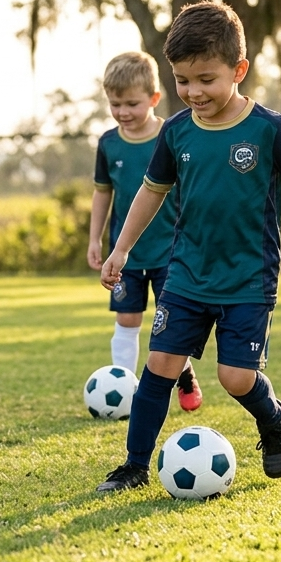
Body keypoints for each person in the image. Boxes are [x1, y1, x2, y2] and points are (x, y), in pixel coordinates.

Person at [94, 0, 281, 492]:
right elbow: (149, 193)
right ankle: (135, 466)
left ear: (238, 70)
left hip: (248, 277)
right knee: (159, 365)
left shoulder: (267, 128)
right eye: (183, 81)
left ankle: (273, 420)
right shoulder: (177, 132)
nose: (193, 92)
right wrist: (119, 249)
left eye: (206, 79)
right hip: (186, 272)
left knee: (235, 379)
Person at [87, 51, 202, 411]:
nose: (123, 112)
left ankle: (185, 375)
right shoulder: (108, 144)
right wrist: (95, 239)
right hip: (127, 253)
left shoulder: (172, 135)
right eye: (115, 104)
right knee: (128, 318)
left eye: (132, 104)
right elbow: (102, 193)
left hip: (172, 251)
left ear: (153, 99)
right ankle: (123, 386)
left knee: (171, 326)